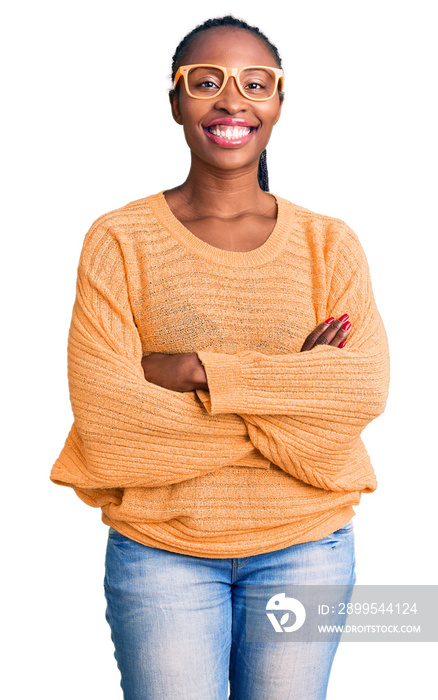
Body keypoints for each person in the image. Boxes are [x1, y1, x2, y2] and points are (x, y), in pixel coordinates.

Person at [50, 14, 390, 700]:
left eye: (255, 84)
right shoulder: (120, 241)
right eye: (205, 82)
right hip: (160, 553)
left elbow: (360, 390)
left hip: (307, 547)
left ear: (279, 104)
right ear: (176, 103)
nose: (232, 100)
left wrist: (195, 372)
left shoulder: (330, 244)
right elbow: (109, 420)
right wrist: (291, 390)